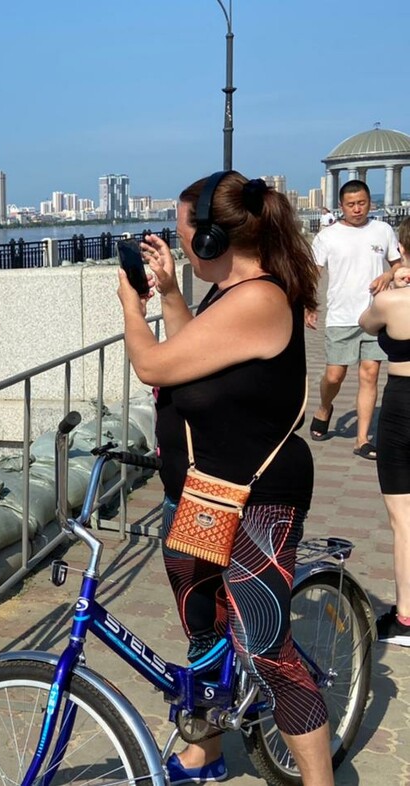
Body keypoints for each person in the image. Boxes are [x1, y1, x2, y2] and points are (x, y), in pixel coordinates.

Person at [118, 171, 334, 785]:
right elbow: (197, 359)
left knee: (268, 653)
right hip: (208, 491)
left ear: (212, 241)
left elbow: (154, 363)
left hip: (259, 500)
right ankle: (206, 752)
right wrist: (167, 293)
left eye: (186, 236)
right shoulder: (232, 293)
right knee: (205, 624)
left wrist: (130, 306)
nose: (182, 247)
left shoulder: (261, 299)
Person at [307, 180, 403, 459]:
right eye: (351, 204)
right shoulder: (328, 236)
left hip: (374, 315)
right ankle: (325, 407)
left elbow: (398, 266)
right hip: (340, 315)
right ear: (341, 206)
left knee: (370, 373)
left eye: (362, 203)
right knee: (335, 375)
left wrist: (386, 276)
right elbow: (315, 273)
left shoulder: (383, 230)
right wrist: (309, 304)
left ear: (370, 202)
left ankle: (362, 440)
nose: (357, 209)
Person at [358, 217, 410, 645]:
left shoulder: (395, 302)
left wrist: (393, 277)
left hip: (403, 406)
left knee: (403, 519)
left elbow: (365, 322)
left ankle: (406, 618)